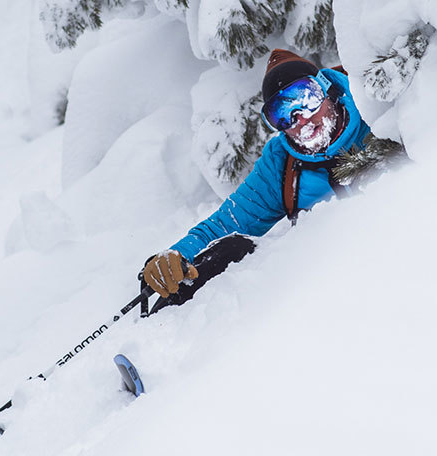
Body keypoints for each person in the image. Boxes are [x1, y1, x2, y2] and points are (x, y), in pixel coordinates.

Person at [140, 49, 373, 314]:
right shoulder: (283, 163)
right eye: (283, 113)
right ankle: (163, 335)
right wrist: (176, 256)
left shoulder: (374, 107)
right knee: (231, 249)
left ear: (326, 90)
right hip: (319, 280)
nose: (301, 118)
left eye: (306, 97)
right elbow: (226, 224)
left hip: (391, 244)